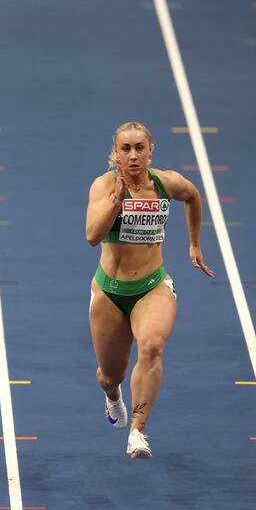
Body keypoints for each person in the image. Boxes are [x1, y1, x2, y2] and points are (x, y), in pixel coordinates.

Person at [85, 121, 213, 459]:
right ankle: (112, 395)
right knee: (110, 374)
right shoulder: (103, 186)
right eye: (125, 149)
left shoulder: (165, 182)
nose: (132, 155)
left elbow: (193, 195)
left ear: (150, 151)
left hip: (153, 286)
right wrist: (115, 202)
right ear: (115, 154)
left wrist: (195, 243)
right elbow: (92, 236)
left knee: (153, 346)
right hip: (110, 292)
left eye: (139, 148)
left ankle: (138, 432)